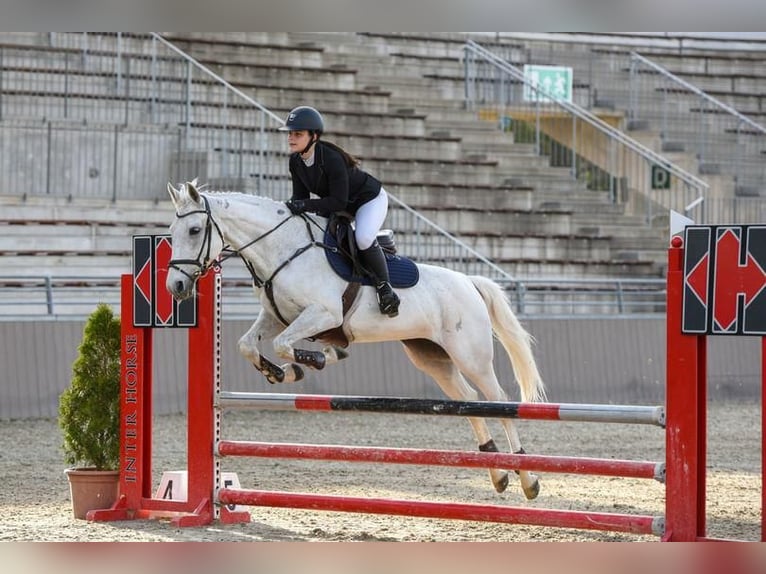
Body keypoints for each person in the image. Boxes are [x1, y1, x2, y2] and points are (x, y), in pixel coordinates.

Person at [280, 105, 400, 318]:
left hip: (368, 200)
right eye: (290, 133)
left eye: (297, 133)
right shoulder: (296, 161)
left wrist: (304, 206)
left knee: (362, 238)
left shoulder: (331, 158)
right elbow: (301, 199)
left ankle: (385, 289)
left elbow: (337, 201)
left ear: (314, 136)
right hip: (341, 206)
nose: (291, 137)